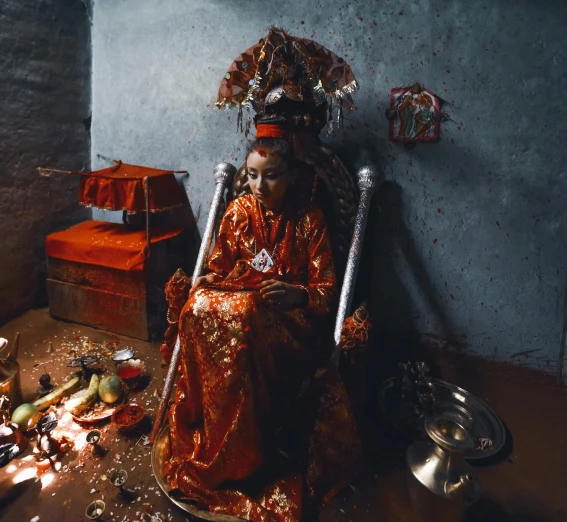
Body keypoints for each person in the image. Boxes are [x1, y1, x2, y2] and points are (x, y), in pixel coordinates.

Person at [159, 28, 363, 522]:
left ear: (293, 175)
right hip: (238, 308)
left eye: (270, 176)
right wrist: (205, 283)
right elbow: (217, 269)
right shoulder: (239, 211)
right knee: (197, 307)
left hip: (287, 325)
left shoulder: (310, 219)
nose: (257, 185)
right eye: (252, 174)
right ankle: (219, 434)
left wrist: (296, 295)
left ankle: (247, 453)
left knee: (245, 316)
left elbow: (325, 292)